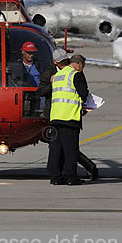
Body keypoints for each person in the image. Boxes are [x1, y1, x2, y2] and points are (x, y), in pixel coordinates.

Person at [47, 54, 89, 186]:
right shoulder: (75, 75)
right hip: (69, 117)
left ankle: (55, 177)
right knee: (70, 149)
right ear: (80, 65)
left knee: (56, 149)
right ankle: (70, 176)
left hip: (55, 117)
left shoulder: (57, 76)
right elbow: (84, 93)